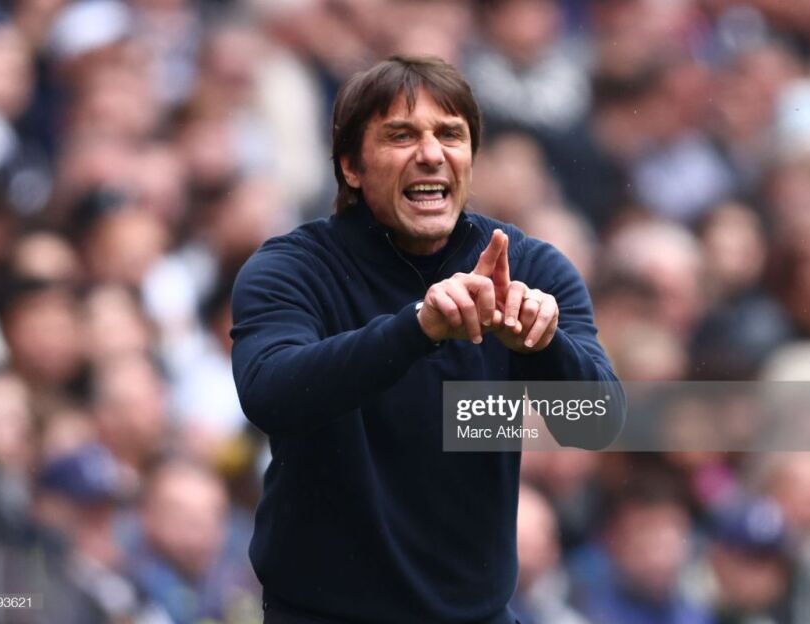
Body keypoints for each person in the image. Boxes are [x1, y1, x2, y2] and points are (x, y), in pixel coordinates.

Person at [230, 55, 622, 624]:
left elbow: (597, 422)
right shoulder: (293, 268)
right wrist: (418, 327)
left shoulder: (530, 268)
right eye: (401, 135)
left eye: (450, 134)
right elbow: (270, 393)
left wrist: (544, 346)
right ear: (351, 166)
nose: (432, 153)